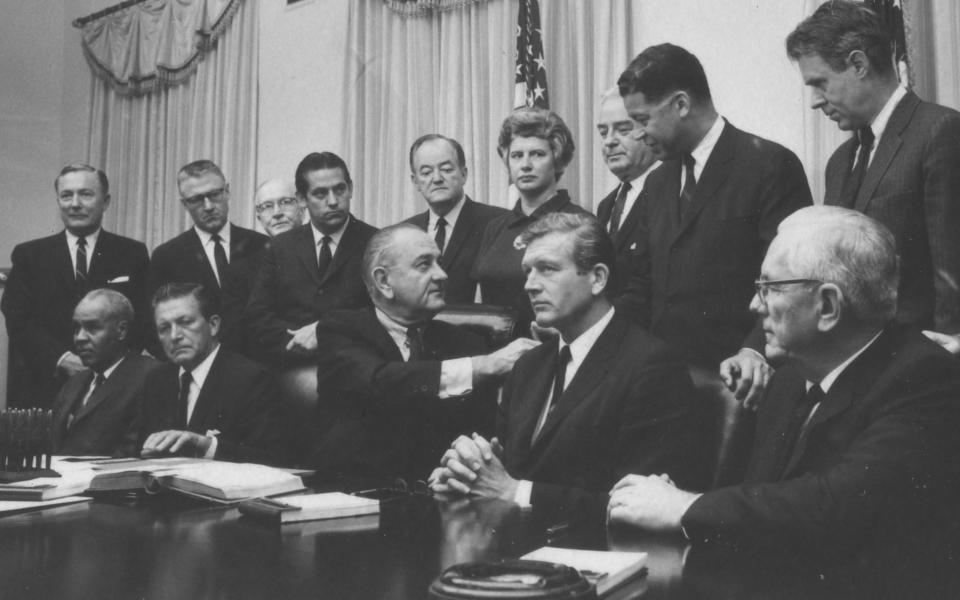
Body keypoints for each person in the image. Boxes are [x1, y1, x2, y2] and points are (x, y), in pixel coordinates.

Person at [608, 206, 960, 595]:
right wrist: (672, 499)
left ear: (827, 307)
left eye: (770, 288)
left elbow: (835, 506)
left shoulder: (925, 378)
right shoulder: (792, 375)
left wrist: (683, 508)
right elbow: (760, 502)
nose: (754, 305)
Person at [432, 212, 708, 513]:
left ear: (598, 278)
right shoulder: (528, 366)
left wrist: (514, 491)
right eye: (527, 271)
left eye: (547, 269)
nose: (530, 285)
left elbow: (641, 505)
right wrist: (467, 473)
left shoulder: (651, 367)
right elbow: (503, 469)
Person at [616, 43, 812, 406]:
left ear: (681, 104)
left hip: (743, 383)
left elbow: (789, 284)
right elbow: (644, 283)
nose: (637, 134)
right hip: (665, 382)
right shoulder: (657, 183)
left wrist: (754, 351)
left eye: (642, 120)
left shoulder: (769, 166)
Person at [786, 0, 960, 354]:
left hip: (922, 361)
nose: (814, 102)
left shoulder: (939, 132)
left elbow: (951, 268)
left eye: (820, 83)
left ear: (858, 64)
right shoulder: (839, 162)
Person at [312, 224, 538, 483]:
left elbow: (480, 434)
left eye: (440, 263)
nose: (442, 275)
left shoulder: (467, 344)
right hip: (353, 499)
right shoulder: (340, 329)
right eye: (424, 265)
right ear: (384, 281)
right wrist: (484, 366)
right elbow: (380, 381)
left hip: (442, 497)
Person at [1, 164, 150, 408]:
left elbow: (142, 318)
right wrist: (61, 359)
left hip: (114, 389)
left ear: (106, 201)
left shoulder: (132, 253)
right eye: (66, 195)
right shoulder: (29, 255)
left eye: (86, 194)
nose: (75, 203)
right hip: (45, 386)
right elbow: (19, 320)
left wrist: (112, 367)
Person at [245, 152, 377, 367]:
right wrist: (299, 345)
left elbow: (385, 314)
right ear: (301, 199)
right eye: (320, 193)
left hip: (357, 368)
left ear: (350, 189)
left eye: (340, 189)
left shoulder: (376, 243)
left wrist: (323, 334)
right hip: (293, 367)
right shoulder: (280, 248)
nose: (333, 201)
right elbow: (259, 319)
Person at [133, 283, 289, 465]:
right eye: (164, 328)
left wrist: (206, 446)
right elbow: (141, 453)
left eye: (185, 322)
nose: (174, 336)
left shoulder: (251, 379)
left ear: (213, 325)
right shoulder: (156, 380)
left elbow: (272, 459)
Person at [471, 108, 589, 335]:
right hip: (495, 355)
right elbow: (479, 302)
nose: (525, 164)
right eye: (516, 156)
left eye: (537, 154)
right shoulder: (496, 227)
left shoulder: (579, 222)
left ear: (557, 159)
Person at [146, 160, 268, 354]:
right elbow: (155, 329)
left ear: (227, 191)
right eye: (196, 199)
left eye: (214, 195)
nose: (208, 206)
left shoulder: (262, 246)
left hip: (260, 368)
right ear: (185, 204)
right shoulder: (167, 256)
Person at [51, 289, 160, 456]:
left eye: (92, 328)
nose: (80, 338)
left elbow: (134, 452)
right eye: (76, 328)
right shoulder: (74, 383)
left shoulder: (151, 377)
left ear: (121, 330)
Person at [403, 134, 509, 304]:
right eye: (426, 172)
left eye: (446, 169)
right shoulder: (405, 232)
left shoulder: (499, 222)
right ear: (415, 182)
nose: (437, 178)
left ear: (464, 174)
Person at [594, 87, 659, 316]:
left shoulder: (671, 195)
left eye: (622, 130)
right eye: (603, 133)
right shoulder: (605, 206)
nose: (609, 142)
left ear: (649, 131)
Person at [221, 178, 304, 358]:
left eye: (286, 202)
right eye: (267, 206)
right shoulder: (239, 273)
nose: (277, 213)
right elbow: (238, 340)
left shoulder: (325, 254)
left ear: (302, 206)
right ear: (258, 217)